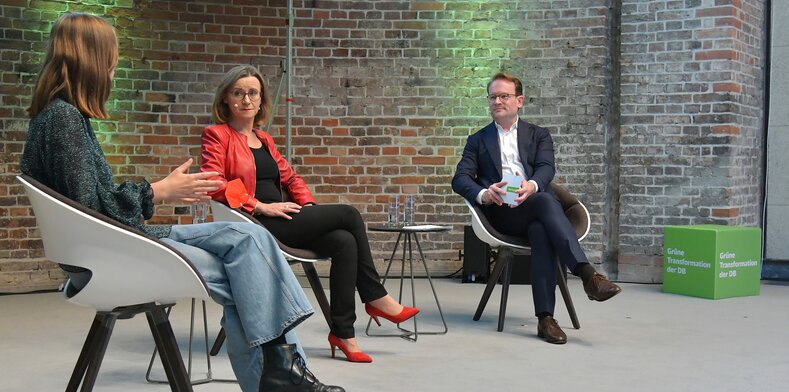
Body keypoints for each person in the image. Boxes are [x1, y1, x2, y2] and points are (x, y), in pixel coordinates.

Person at [21, 12, 348, 392]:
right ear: (90, 58)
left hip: (119, 243)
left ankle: (279, 380)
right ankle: (274, 388)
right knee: (245, 265)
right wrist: (158, 192)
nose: (114, 67)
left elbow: (91, 201)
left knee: (248, 237)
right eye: (111, 58)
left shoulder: (59, 117)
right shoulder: (63, 120)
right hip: (116, 252)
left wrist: (157, 191)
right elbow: (93, 206)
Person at [200, 65, 419, 363]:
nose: (246, 100)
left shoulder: (264, 140)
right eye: (238, 93)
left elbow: (291, 179)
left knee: (344, 240)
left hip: (285, 219)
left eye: (253, 93)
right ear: (226, 98)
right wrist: (259, 206)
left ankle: (343, 333)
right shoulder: (217, 135)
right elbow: (213, 182)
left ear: (262, 99)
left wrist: (310, 209)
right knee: (350, 215)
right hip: (255, 223)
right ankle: (375, 296)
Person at [452, 72, 621, 345]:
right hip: (502, 215)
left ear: (519, 101)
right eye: (493, 96)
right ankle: (587, 274)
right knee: (545, 201)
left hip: (533, 208)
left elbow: (546, 168)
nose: (497, 101)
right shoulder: (478, 140)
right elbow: (459, 179)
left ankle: (546, 319)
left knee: (541, 227)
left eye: (504, 96)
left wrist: (531, 185)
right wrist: (484, 193)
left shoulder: (538, 135)